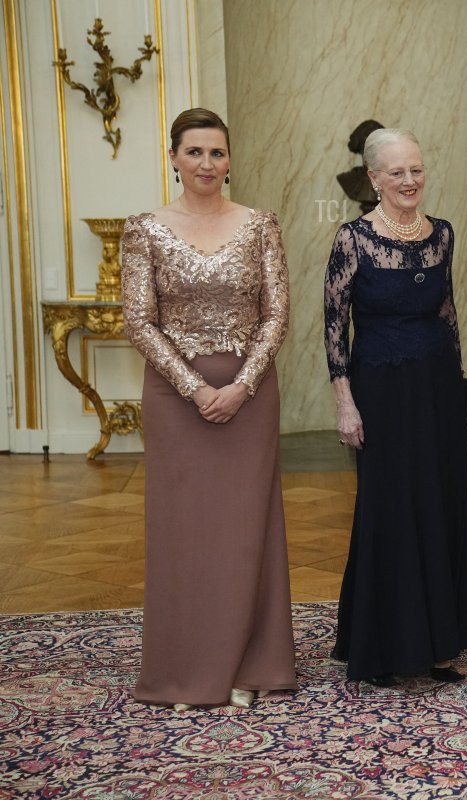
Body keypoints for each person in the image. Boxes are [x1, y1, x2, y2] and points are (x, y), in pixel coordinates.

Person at [122, 108, 295, 712]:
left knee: (248, 531)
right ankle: (183, 669)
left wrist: (241, 386)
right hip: (176, 401)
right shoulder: (144, 229)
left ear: (230, 160)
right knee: (184, 533)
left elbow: (276, 314)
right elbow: (139, 321)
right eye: (193, 152)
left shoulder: (259, 225)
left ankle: (256, 663)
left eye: (216, 153)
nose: (206, 164)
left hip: (249, 398)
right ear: (173, 158)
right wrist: (195, 388)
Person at [324, 128, 467, 686]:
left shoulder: (442, 234)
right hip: (381, 392)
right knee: (388, 508)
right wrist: (346, 404)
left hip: (435, 389)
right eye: (396, 172)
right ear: (374, 179)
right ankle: (384, 647)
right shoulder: (353, 240)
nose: (409, 180)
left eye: (416, 169)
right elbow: (333, 327)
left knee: (440, 506)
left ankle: (441, 644)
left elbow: (448, 312)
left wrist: (459, 389)